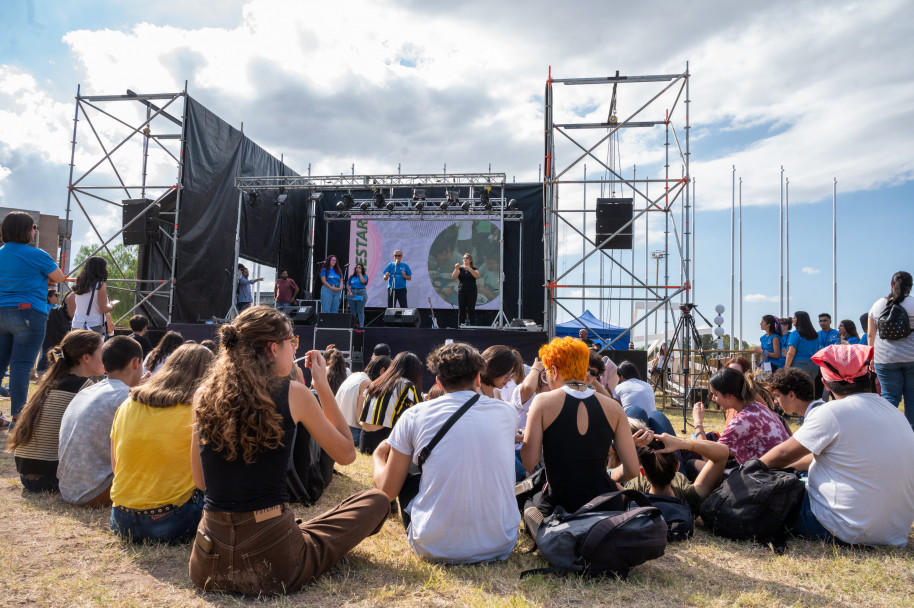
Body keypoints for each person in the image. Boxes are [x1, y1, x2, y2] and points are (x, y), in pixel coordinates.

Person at [189, 306, 388, 595]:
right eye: (291, 342)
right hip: (271, 561)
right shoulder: (294, 393)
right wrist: (321, 382)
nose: (294, 348)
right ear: (273, 348)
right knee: (376, 500)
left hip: (208, 560)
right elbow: (346, 453)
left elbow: (201, 482)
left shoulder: (203, 395)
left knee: (305, 527)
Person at [372, 342, 519, 563]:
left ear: (439, 382)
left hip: (434, 545)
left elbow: (387, 492)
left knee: (409, 464)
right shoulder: (507, 413)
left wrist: (377, 456)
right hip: (500, 542)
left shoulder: (414, 415)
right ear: (478, 378)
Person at [761, 345, 914, 546]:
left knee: (772, 491)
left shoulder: (832, 411)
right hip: (894, 533)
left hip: (844, 528)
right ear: (867, 376)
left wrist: (747, 469)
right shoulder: (893, 412)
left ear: (825, 382)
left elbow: (782, 455)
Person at [520, 337, 638, 534]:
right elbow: (633, 469)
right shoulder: (613, 407)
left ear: (554, 371)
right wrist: (608, 476)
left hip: (561, 506)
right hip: (605, 505)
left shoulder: (542, 402)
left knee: (528, 503)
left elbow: (528, 462)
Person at [109, 343, 214, 543]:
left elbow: (116, 467)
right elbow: (206, 479)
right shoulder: (197, 411)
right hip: (172, 521)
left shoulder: (128, 403)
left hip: (121, 520)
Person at [6, 330, 103, 492]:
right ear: (86, 357)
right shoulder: (84, 388)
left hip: (27, 473)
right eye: (103, 350)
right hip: (49, 476)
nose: (107, 356)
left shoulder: (49, 382)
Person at [57, 336, 143, 506]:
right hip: (95, 491)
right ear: (136, 363)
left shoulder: (86, 391)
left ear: (104, 366)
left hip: (67, 488)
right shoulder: (127, 398)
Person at [0, 211, 67, 426]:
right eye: (33, 228)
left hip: (1, 311)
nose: (34, 231)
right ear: (27, 231)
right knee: (20, 367)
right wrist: (40, 279)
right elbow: (59, 277)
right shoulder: (37, 255)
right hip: (29, 313)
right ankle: (18, 419)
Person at [624, 418, 730, 513]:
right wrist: (682, 443)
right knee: (656, 416)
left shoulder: (632, 494)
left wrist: (627, 446)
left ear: (642, 472)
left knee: (639, 415)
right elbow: (723, 452)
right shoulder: (688, 497)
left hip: (643, 466)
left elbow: (609, 477)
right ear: (677, 467)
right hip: (663, 467)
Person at [692, 367, 791, 467]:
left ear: (730, 397)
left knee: (692, 464)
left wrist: (698, 423)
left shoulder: (742, 420)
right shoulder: (759, 407)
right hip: (780, 470)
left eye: (715, 394)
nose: (713, 399)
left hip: (764, 475)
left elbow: (709, 458)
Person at [867, 270, 914, 427]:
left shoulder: (877, 305)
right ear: (910, 287)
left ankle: (886, 432)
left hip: (885, 358)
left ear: (891, 285)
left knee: (889, 398)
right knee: (912, 399)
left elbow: (870, 335)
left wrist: (871, 357)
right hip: (912, 357)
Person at [358, 351, 423, 454]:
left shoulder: (376, 382)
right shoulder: (407, 385)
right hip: (384, 439)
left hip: (364, 437)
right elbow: (421, 414)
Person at [335, 355, 390, 446]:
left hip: (337, 428)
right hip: (352, 432)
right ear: (382, 371)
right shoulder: (368, 384)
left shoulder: (354, 375)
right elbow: (360, 418)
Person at [768, 367, 825, 444]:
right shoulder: (818, 410)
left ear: (791, 395)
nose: (775, 401)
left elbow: (785, 451)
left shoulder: (817, 417)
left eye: (777, 396)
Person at [71, 256, 117, 336]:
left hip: (76, 325)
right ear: (101, 269)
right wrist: (111, 306)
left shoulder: (79, 284)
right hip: (93, 326)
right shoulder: (100, 285)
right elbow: (103, 309)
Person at [36, 289, 73, 376]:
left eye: (58, 295)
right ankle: (40, 373)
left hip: (57, 332)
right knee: (46, 352)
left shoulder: (57, 307)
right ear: (49, 297)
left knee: (56, 353)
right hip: (47, 333)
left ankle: (54, 372)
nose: (58, 297)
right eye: (55, 295)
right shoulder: (45, 307)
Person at [784, 310, 820, 381]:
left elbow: (791, 353)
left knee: (797, 389)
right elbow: (817, 351)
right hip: (813, 365)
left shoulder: (795, 334)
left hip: (798, 365)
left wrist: (786, 369)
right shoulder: (815, 335)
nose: (792, 319)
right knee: (810, 389)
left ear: (799, 320)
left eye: (794, 318)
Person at [452, 253, 480, 326]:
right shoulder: (460, 268)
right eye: (464, 258)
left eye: (467, 258)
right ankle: (460, 325)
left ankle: (473, 325)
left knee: (471, 309)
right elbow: (454, 276)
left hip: (472, 291)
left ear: (470, 260)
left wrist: (470, 269)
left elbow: (477, 276)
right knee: (461, 310)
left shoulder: (474, 269)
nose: (465, 259)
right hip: (462, 291)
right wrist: (456, 268)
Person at [347, 262, 368, 327]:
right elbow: (348, 285)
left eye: (359, 268)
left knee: (360, 310)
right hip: (352, 293)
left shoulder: (364, 276)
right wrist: (350, 292)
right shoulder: (352, 277)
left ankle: (361, 326)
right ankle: (353, 325)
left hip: (361, 293)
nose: (358, 269)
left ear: (362, 269)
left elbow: (363, 282)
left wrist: (360, 274)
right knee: (353, 310)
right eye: (357, 267)